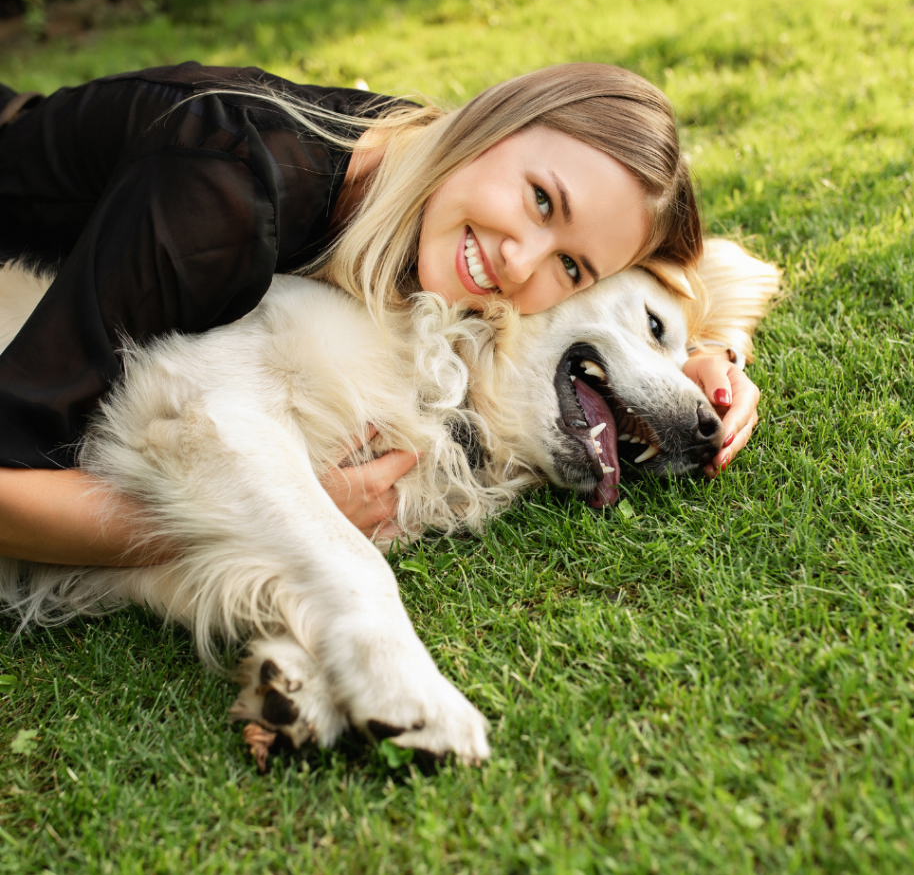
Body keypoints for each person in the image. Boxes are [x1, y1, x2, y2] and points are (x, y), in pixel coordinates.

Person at [0, 61, 761, 567]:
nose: (521, 263)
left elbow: (702, 263)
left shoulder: (428, 176)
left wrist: (708, 358)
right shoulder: (225, 197)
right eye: (540, 200)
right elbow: (7, 495)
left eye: (571, 265)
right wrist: (290, 514)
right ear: (492, 124)